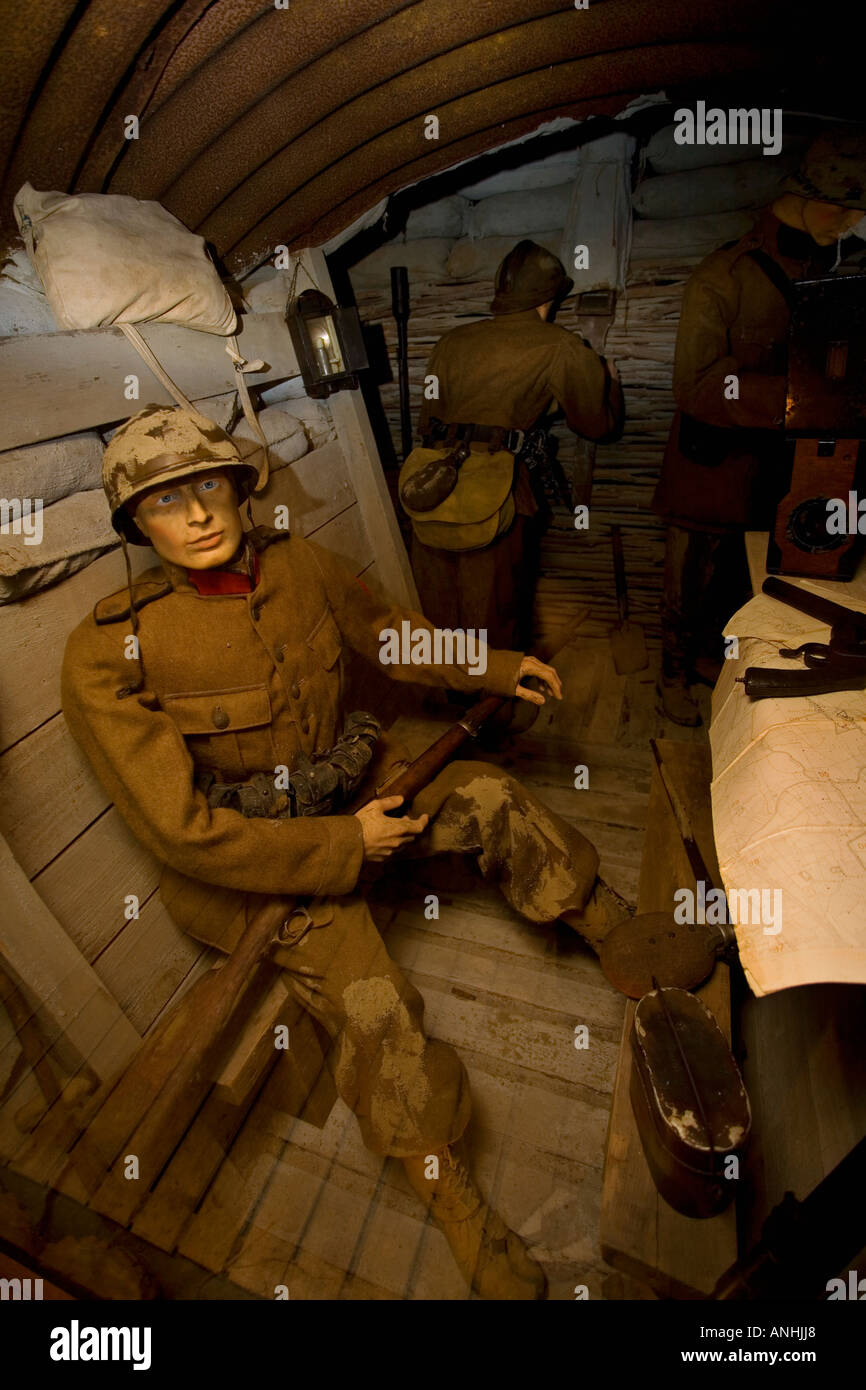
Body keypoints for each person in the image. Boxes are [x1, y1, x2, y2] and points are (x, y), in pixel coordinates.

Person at [61, 404, 635, 1301]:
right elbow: (181, 830)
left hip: (353, 781)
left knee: (490, 792)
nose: (199, 515)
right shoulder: (107, 653)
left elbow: (396, 639)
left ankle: (613, 928)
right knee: (378, 1009)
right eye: (167, 502)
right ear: (136, 525)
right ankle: (455, 1205)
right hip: (249, 863)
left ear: (242, 492)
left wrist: (495, 667)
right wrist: (344, 846)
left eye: (210, 486)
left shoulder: (303, 568)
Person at [653, 128, 866, 726]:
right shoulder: (724, 275)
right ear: (799, 193)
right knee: (687, 581)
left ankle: (705, 661)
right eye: (842, 204)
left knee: (738, 584)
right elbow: (695, 385)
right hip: (709, 467)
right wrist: (804, 399)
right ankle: (670, 677)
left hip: (774, 470)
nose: (850, 222)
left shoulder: (830, 273)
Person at [403, 239, 623, 652]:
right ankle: (499, 707)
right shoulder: (558, 344)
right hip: (499, 489)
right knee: (497, 605)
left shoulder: (451, 341)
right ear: (549, 299)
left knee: (441, 601)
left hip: (434, 486)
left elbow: (427, 421)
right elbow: (597, 425)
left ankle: (453, 698)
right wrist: (609, 382)